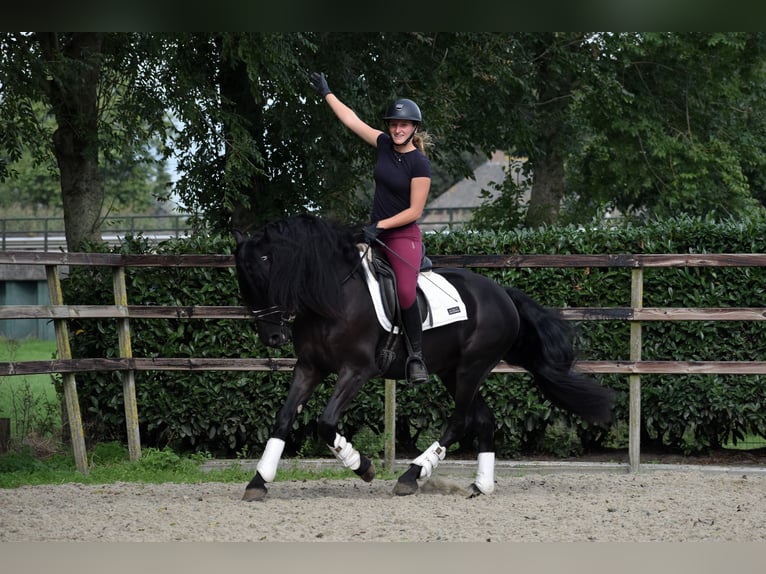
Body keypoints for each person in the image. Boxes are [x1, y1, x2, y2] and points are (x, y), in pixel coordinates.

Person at [310, 71, 431, 384]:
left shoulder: (419, 163)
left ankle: (416, 356)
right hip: (373, 233)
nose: (397, 129)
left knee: (405, 291)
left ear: (414, 128)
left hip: (403, 237)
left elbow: (415, 210)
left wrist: (380, 225)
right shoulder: (382, 145)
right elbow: (351, 121)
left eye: (403, 125)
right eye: (393, 124)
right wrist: (327, 93)